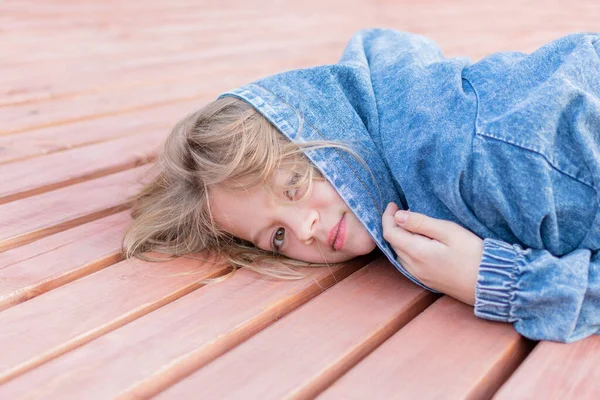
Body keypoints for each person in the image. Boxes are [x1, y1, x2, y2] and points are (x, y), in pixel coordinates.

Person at [122, 28, 600, 343]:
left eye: (293, 186)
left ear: (324, 127)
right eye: (277, 236)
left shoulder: (473, 165)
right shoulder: (403, 107)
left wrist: (499, 282)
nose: (304, 228)